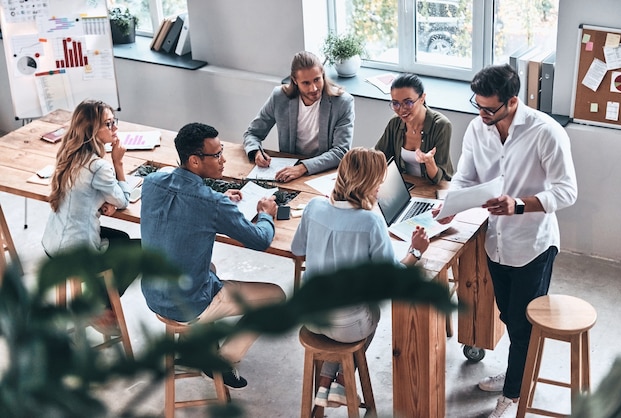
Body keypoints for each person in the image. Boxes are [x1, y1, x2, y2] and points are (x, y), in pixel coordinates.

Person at [446, 64, 577, 418]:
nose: (482, 114)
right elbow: (465, 176)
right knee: (508, 315)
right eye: (478, 105)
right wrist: (449, 207)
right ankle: (514, 375)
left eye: (490, 108)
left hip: (533, 243)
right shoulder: (478, 128)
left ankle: (514, 392)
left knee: (524, 324)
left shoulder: (545, 132)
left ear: (512, 101)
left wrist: (518, 205)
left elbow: (567, 192)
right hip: (496, 242)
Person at [140, 122, 286, 390]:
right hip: (188, 303)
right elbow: (260, 240)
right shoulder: (212, 203)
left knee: (208, 264)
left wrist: (217, 196)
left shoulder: (151, 183)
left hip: (152, 293)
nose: (223, 159)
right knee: (276, 296)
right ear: (195, 160)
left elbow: (185, 206)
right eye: (217, 154)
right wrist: (266, 213)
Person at [291, 147, 430, 408]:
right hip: (347, 327)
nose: (380, 188)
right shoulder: (370, 222)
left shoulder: (313, 206)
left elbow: (297, 250)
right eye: (379, 182)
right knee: (371, 311)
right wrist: (415, 253)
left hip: (310, 316)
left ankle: (324, 385)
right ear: (367, 184)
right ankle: (343, 382)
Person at [42, 99, 138, 333]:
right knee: (139, 251)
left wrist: (103, 201)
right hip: (76, 250)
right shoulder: (99, 166)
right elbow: (123, 200)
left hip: (53, 242)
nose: (115, 128)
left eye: (114, 122)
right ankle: (101, 307)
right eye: (108, 124)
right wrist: (118, 163)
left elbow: (85, 195)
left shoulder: (69, 154)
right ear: (92, 129)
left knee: (123, 239)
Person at [243, 51, 354, 183]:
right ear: (295, 81)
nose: (313, 88)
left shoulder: (342, 102)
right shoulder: (279, 97)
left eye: (317, 80)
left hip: (324, 173)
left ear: (323, 75)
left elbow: (341, 151)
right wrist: (256, 152)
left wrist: (303, 168)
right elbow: (252, 133)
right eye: (306, 83)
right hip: (288, 173)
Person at [375, 73, 454, 184]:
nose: (401, 110)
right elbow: (378, 156)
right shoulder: (395, 123)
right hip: (405, 187)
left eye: (408, 102)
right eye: (396, 103)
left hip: (434, 188)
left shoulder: (441, 125)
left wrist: (429, 162)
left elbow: (438, 178)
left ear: (422, 98)